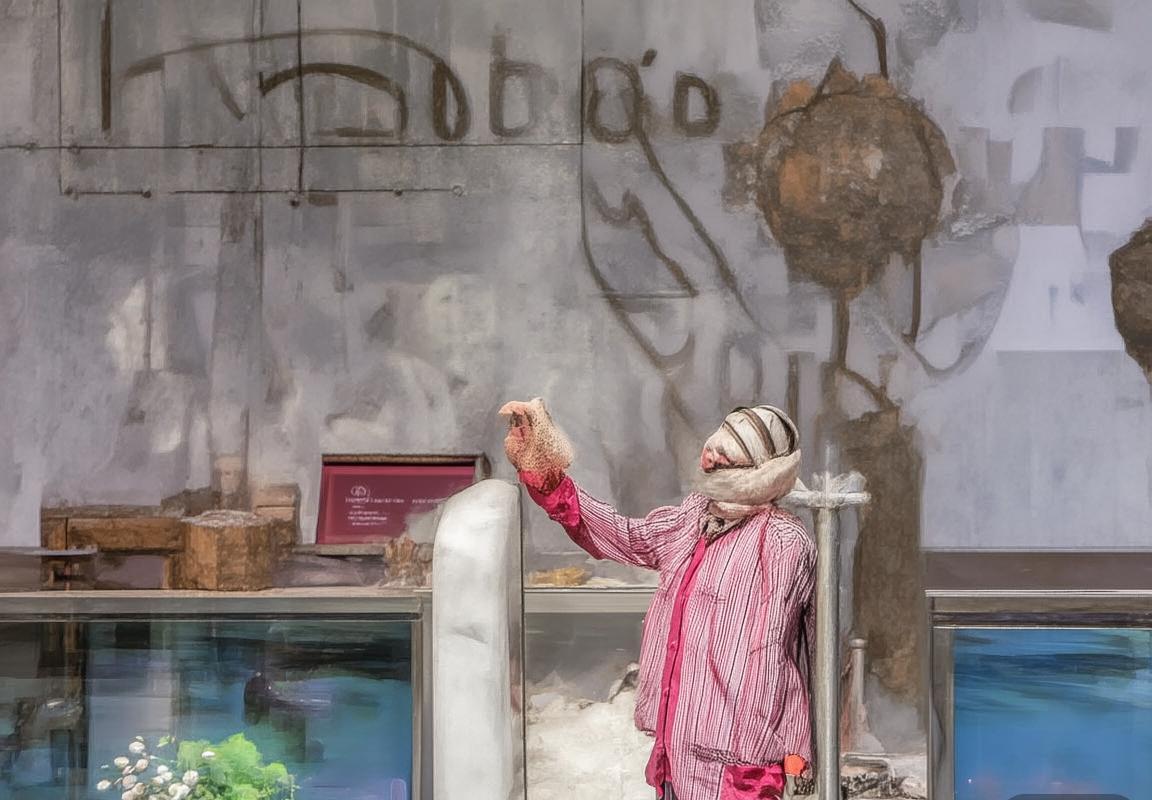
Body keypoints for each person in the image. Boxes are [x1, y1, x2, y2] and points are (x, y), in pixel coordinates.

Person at [500, 398, 815, 800]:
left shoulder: (782, 541)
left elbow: (782, 651)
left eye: (724, 456)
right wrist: (547, 475)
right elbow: (626, 536)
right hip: (677, 751)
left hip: (737, 768)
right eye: (713, 450)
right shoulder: (695, 517)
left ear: (758, 469)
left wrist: (776, 753)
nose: (709, 459)